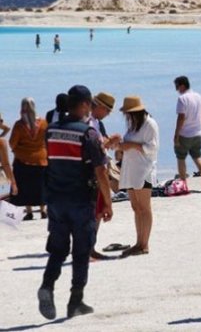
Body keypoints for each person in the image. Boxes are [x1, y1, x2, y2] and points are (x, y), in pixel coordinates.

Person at [37, 85, 113, 320]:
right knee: (81, 251)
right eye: (90, 104)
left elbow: (49, 163)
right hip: (81, 200)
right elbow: (100, 171)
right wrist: (108, 202)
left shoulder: (51, 131)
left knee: (58, 250)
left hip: (56, 201)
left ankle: (47, 286)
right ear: (83, 105)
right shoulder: (87, 133)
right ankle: (75, 300)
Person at [116, 96, 159, 257]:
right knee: (136, 207)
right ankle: (138, 242)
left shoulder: (150, 124)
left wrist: (132, 146)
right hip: (131, 169)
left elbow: (152, 148)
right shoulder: (134, 125)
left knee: (144, 207)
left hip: (144, 170)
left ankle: (144, 244)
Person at [88, 92, 118, 260]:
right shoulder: (90, 123)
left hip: (99, 170)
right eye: (107, 111)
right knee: (94, 211)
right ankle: (88, 249)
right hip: (95, 172)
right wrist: (109, 141)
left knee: (97, 212)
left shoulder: (98, 123)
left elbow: (103, 144)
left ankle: (91, 247)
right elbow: (97, 148)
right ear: (100, 107)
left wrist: (110, 142)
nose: (107, 115)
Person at [9, 98, 48, 220]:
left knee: (25, 186)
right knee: (41, 186)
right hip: (41, 159)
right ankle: (43, 210)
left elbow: (12, 143)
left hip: (23, 159)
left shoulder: (19, 125)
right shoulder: (43, 123)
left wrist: (17, 149)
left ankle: (29, 211)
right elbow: (46, 140)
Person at [173, 76, 201, 192]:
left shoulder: (182, 99)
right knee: (197, 157)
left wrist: (176, 135)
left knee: (181, 158)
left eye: (177, 86)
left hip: (185, 134)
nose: (176, 89)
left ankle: (183, 184)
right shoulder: (198, 96)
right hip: (198, 133)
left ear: (182, 85)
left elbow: (181, 117)